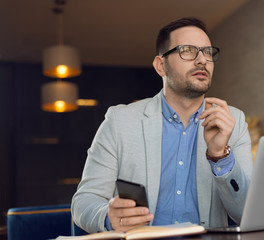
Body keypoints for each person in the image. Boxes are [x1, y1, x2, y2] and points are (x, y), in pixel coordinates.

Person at [71, 17, 253, 233]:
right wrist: (108, 218)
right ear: (160, 66)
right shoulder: (120, 121)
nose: (202, 60)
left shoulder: (233, 121)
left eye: (207, 52)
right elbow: (84, 202)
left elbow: (247, 212)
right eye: (188, 50)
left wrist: (220, 156)